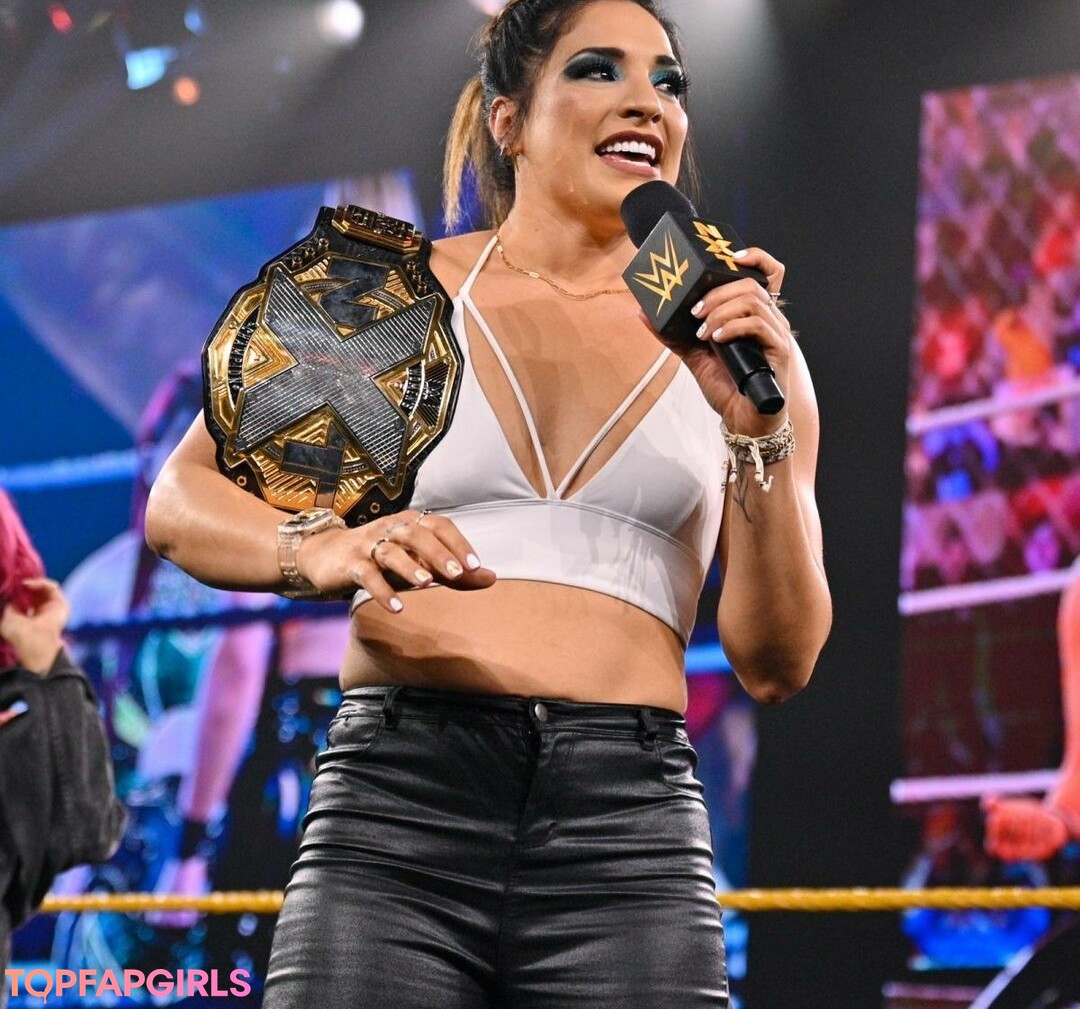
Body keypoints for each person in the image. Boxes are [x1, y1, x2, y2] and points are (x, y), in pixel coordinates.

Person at [146, 1, 832, 1005]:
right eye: (598, 69)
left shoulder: (737, 335)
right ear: (509, 119)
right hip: (399, 803)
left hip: (627, 830)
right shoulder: (390, 292)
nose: (647, 101)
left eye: (669, 81)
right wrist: (322, 547)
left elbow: (779, 659)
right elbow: (180, 499)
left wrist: (755, 428)